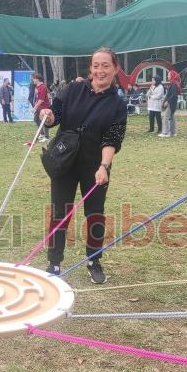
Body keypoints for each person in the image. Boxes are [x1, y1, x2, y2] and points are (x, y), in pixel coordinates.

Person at [38, 47, 126, 285]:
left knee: (95, 215)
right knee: (60, 213)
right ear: (90, 68)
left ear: (115, 69)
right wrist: (48, 115)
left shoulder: (117, 103)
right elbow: (55, 113)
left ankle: (94, 260)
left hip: (94, 166)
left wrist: (104, 166)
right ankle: (54, 262)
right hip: (64, 160)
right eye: (96, 65)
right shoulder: (74, 89)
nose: (100, 70)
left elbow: (113, 138)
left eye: (106, 65)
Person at [31, 73, 51, 142]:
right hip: (39, 107)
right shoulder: (37, 87)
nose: (33, 80)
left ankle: (47, 137)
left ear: (37, 79)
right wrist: (35, 106)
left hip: (45, 107)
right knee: (36, 119)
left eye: (33, 79)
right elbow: (37, 98)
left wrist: (34, 108)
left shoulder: (43, 87)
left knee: (44, 121)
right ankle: (42, 134)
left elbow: (41, 100)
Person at [160, 70, 180, 137]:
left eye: (168, 75)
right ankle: (173, 132)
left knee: (166, 117)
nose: (167, 76)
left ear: (172, 76)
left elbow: (173, 94)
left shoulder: (174, 84)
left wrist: (167, 101)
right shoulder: (174, 83)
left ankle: (166, 132)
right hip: (172, 103)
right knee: (172, 117)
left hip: (171, 103)